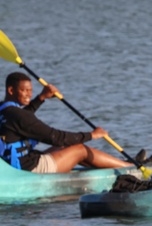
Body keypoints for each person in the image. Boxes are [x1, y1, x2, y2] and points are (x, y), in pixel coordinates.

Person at [0, 71, 133, 173]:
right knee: (80, 149)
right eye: (25, 90)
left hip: (12, 164)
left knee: (65, 147)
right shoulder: (18, 115)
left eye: (31, 90)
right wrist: (91, 135)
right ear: (11, 90)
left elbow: (20, 119)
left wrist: (41, 98)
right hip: (28, 169)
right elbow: (56, 137)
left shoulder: (4, 109)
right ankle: (131, 168)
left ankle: (119, 164)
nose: (29, 94)